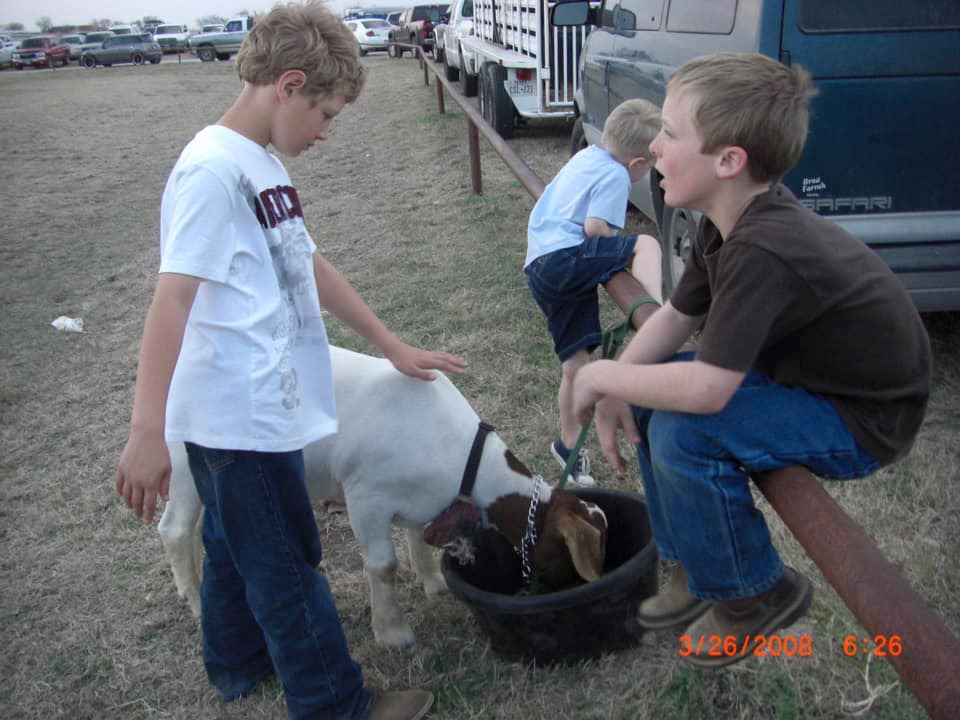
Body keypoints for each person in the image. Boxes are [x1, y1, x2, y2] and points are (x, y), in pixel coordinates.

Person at [114, 3, 466, 717]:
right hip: (235, 418)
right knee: (288, 564)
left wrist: (390, 344)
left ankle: (236, 664)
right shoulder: (212, 173)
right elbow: (172, 302)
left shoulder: (260, 164)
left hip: (267, 409)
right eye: (326, 113)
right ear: (290, 85)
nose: (327, 132)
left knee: (231, 539)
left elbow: (308, 265)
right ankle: (334, 703)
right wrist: (147, 430)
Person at [571, 52, 931, 667]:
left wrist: (603, 372)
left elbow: (709, 392)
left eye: (671, 132)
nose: (654, 146)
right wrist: (621, 386)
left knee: (685, 428)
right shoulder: (722, 220)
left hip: (863, 417)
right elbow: (675, 319)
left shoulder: (764, 245)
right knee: (657, 399)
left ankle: (752, 594)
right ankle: (692, 567)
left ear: (728, 160)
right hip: (809, 382)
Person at [525, 98, 663, 487]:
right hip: (565, 258)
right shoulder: (619, 175)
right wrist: (616, 251)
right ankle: (654, 318)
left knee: (575, 365)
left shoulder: (587, 157)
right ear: (638, 164)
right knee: (647, 245)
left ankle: (568, 444)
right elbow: (595, 228)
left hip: (539, 263)